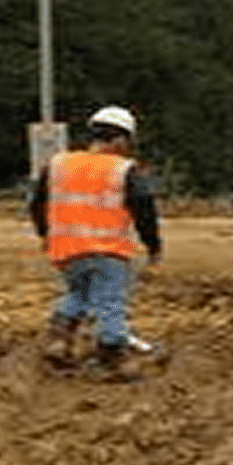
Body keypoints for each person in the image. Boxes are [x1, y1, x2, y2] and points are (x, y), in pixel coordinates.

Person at [29, 105, 162, 376]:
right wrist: (153, 245)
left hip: (66, 249)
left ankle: (59, 339)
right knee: (112, 299)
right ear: (121, 139)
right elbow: (143, 206)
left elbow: (37, 204)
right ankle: (113, 354)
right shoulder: (123, 169)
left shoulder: (59, 163)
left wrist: (46, 235)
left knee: (81, 293)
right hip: (107, 249)